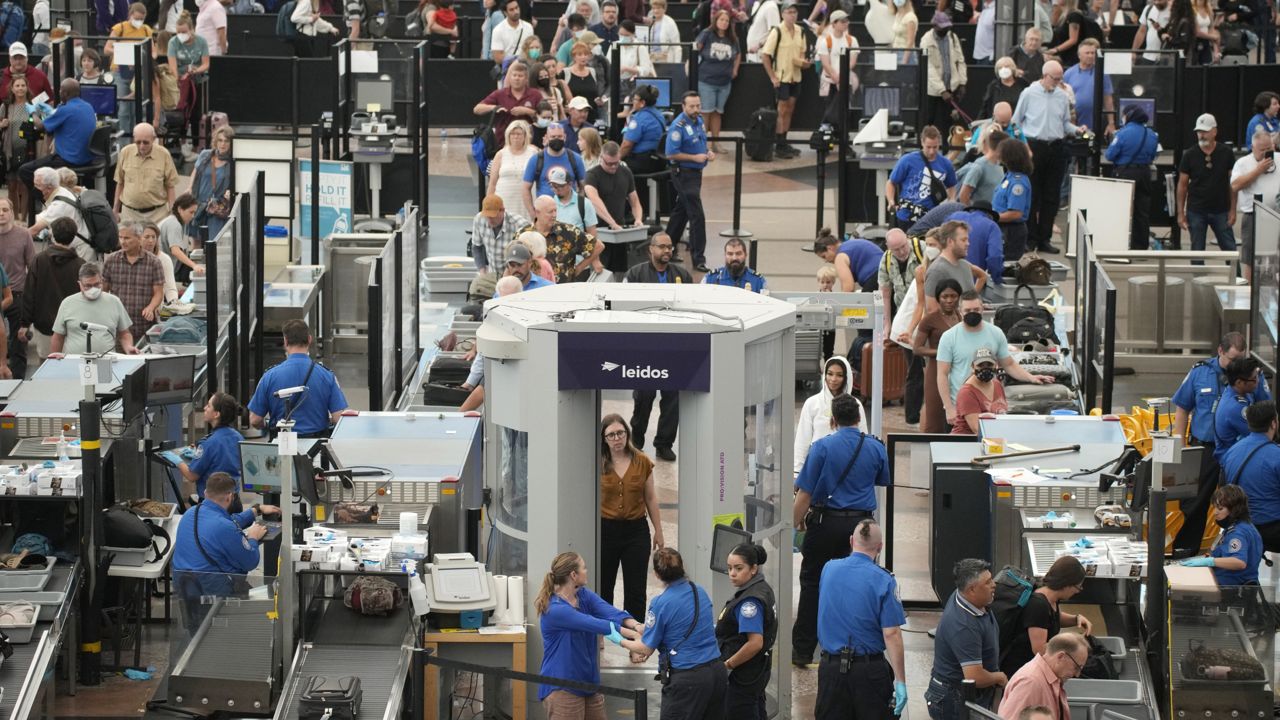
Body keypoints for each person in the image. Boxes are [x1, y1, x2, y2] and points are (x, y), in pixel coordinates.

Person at [792, 395, 889, 667]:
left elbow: (804, 494)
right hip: (861, 527)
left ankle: (802, 649)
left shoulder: (822, 447)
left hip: (825, 524)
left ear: (833, 420)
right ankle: (854, 645)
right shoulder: (875, 447)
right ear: (859, 418)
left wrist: (793, 524)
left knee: (812, 584)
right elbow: (881, 479)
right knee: (857, 585)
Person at [1171, 332, 1269, 552]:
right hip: (1204, 449)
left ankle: (1234, 552)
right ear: (1220, 351)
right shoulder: (1200, 372)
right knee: (1194, 505)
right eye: (1232, 360)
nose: (1237, 365)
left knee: (1236, 506)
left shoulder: (1253, 376)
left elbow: (1266, 411)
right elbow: (1182, 407)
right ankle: (1184, 556)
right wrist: (1180, 444)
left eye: (1240, 359)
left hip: (1237, 453)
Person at [618, 548, 726, 720]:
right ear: (682, 567)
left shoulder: (660, 603)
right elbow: (680, 626)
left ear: (656, 574)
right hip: (716, 672)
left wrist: (619, 639)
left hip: (687, 679)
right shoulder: (699, 591)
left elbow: (645, 648)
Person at [815, 519, 907, 719]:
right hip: (869, 672)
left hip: (831, 669)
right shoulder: (884, 580)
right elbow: (891, 633)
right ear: (880, 547)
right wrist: (900, 681)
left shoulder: (829, 569)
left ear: (851, 541)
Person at [535, 551, 641, 720]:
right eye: (584, 567)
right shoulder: (555, 610)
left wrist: (637, 625)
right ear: (573, 575)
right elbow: (596, 624)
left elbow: (609, 612)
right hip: (563, 687)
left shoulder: (583, 594)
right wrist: (633, 639)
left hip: (589, 684)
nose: (587, 570)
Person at [937, 291, 1052, 423]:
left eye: (976, 309)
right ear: (960, 311)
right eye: (968, 310)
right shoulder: (949, 337)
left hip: (991, 408)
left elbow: (1008, 364)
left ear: (982, 308)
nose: (972, 313)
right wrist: (949, 408)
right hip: (961, 407)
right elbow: (942, 374)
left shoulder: (996, 333)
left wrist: (1031, 377)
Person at [1012, 60, 1087, 254]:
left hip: (1056, 146)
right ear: (1044, 76)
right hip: (1034, 146)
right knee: (1033, 194)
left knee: (1052, 196)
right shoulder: (1029, 93)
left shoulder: (1062, 96)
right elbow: (1016, 122)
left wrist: (1078, 130)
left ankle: (1045, 238)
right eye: (1055, 78)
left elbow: (1065, 124)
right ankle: (1031, 238)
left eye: (1060, 78)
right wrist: (1024, 146)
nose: (1058, 82)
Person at [598, 414, 664, 623]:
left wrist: (659, 531)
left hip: (636, 531)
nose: (617, 439)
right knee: (604, 585)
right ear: (604, 438)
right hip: (606, 530)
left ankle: (635, 638)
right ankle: (603, 632)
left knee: (636, 588)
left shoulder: (642, 461)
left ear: (627, 433)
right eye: (611, 435)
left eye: (621, 433)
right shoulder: (597, 463)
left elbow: (651, 497)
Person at [926, 559, 1007, 719]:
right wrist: (999, 677)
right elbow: (974, 676)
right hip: (953, 699)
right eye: (988, 582)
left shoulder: (970, 598)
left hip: (967, 692)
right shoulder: (963, 625)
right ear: (972, 590)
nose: (994, 585)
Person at [248, 319, 348, 438]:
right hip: (316, 446)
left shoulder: (269, 376)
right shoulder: (326, 376)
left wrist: (266, 425)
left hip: (281, 444)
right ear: (309, 339)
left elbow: (255, 420)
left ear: (285, 341)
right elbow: (338, 418)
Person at [998, 555, 1092, 677]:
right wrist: (1071, 643)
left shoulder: (1050, 597)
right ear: (1067, 584)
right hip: (1022, 671)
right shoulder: (1038, 605)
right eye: (1078, 587)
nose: (1077, 591)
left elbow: (1051, 618)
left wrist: (1076, 619)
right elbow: (1039, 649)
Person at [171, 473, 278, 575]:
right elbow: (250, 562)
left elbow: (224, 521)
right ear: (230, 497)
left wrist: (255, 510)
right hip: (213, 590)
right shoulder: (225, 527)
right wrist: (253, 538)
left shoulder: (191, 512)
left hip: (183, 587)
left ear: (205, 492)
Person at [718, 543, 776, 720]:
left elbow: (755, 642)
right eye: (729, 568)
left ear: (753, 569)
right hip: (754, 672)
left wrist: (728, 665)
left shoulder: (750, 601)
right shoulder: (761, 588)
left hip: (742, 676)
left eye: (738, 568)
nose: (732, 573)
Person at [19, 217, 83, 360]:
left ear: (52, 234)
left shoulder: (39, 260)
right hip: (72, 327)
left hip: (44, 325)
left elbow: (29, 293)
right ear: (73, 236)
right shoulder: (80, 265)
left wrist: (25, 323)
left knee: (47, 365)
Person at [1222, 401, 1280, 550]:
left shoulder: (1232, 451)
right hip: (1271, 531)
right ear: (1273, 423)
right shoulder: (1276, 455)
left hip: (1240, 528)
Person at [1177, 112, 1237, 256]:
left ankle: (1237, 278)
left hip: (1221, 209)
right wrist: (1180, 213)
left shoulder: (1226, 153)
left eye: (1205, 131)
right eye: (1199, 132)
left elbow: (1233, 184)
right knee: (1197, 250)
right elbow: (1182, 185)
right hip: (1197, 209)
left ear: (1214, 131)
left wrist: (1233, 209)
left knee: (1230, 249)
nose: (1201, 135)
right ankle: (1197, 278)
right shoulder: (1189, 155)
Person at [19, 79, 96, 191]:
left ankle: (48, 198)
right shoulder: (88, 106)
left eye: (60, 90)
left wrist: (33, 112)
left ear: (65, 93)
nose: (59, 92)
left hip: (68, 159)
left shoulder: (65, 110)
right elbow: (67, 118)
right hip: (86, 159)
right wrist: (53, 112)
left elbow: (40, 126)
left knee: (25, 170)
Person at [666, 92, 712, 273]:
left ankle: (665, 247)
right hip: (683, 174)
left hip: (696, 173)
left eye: (698, 105)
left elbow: (701, 143)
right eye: (692, 106)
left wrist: (707, 153)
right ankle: (698, 259)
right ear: (683, 107)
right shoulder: (678, 126)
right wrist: (695, 157)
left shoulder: (699, 121)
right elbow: (671, 153)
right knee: (697, 215)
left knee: (681, 212)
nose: (695, 109)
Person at [1180, 484, 1263, 586]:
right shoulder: (1244, 526)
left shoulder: (1237, 532)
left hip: (1230, 589)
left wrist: (1211, 561)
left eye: (1220, 508)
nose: (1215, 512)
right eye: (1215, 508)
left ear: (1234, 509)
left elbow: (1239, 562)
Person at [168, 392, 246, 499]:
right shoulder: (238, 437)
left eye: (209, 406)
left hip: (212, 504)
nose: (205, 408)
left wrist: (177, 459)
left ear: (216, 414)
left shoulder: (208, 443)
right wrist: (198, 454)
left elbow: (192, 476)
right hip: (233, 500)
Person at [795, 357, 866, 474]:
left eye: (839, 375)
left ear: (846, 377)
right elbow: (802, 440)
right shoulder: (812, 403)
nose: (833, 379)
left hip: (846, 468)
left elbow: (863, 438)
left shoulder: (855, 404)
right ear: (824, 375)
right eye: (830, 374)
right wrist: (797, 472)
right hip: (817, 468)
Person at [49, 262, 138, 355]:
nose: (93, 289)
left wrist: (128, 347)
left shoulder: (114, 302)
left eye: (96, 284)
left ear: (102, 281)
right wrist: (55, 360)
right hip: (75, 363)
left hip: (106, 362)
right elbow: (58, 337)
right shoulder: (67, 303)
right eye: (88, 286)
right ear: (80, 284)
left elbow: (124, 333)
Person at [761, 1, 811, 160]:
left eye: (794, 12)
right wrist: (772, 77)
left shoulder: (801, 31)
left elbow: (802, 53)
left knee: (790, 108)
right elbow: (765, 55)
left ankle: (784, 140)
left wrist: (803, 62)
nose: (792, 15)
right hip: (782, 77)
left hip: (795, 76)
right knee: (781, 109)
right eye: (789, 12)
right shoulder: (777, 31)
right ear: (782, 14)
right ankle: (778, 143)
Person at [1105, 104, 1159, 250]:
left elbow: (1109, 155)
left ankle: (1120, 244)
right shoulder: (1152, 134)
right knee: (1142, 211)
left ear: (1128, 116)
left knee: (1122, 210)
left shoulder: (1122, 133)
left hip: (1125, 173)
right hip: (1144, 174)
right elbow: (1153, 156)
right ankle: (1140, 247)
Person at [997, 633, 1087, 720]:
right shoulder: (1031, 682)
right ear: (1060, 657)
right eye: (1076, 667)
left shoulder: (1050, 678)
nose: (1077, 674)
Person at [914, 279, 963, 433]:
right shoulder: (929, 319)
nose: (949, 300)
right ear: (938, 298)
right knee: (935, 413)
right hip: (936, 370)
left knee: (958, 413)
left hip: (957, 370)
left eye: (953, 296)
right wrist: (942, 352)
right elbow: (917, 348)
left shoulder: (961, 317)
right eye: (945, 296)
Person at [1231, 128, 1279, 282]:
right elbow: (1235, 185)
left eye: (1269, 149)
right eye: (1262, 150)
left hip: (1276, 213)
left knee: (1274, 256)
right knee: (1250, 256)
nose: (1266, 154)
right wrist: (1258, 170)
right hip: (1253, 215)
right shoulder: (1243, 163)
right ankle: (1249, 289)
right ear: (1252, 148)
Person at [887, 126, 958, 229]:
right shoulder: (907, 160)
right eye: (928, 147)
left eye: (935, 147)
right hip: (906, 216)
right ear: (922, 142)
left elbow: (951, 185)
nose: (932, 151)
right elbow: (891, 182)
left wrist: (952, 200)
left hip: (931, 218)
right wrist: (891, 201)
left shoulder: (946, 164)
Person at [102, 222, 164, 340]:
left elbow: (159, 293)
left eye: (127, 238)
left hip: (144, 325)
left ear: (139, 238)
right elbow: (104, 290)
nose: (123, 241)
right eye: (120, 237)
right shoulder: (111, 261)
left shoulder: (154, 262)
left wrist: (150, 307)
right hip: (118, 326)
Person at [517, 195, 600, 282]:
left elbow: (598, 246)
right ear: (537, 212)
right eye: (550, 212)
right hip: (533, 290)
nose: (554, 215)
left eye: (555, 210)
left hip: (564, 291)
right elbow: (513, 263)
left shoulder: (569, 231)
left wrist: (579, 268)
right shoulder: (523, 234)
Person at [113, 123, 179, 226]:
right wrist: (115, 210)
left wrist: (172, 213)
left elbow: (170, 186)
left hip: (157, 215)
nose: (142, 146)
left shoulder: (164, 154)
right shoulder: (125, 152)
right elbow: (120, 182)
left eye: (146, 142)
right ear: (134, 138)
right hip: (130, 214)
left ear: (153, 139)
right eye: (138, 142)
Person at [694, 10, 740, 153]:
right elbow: (695, 48)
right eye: (722, 20)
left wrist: (735, 69)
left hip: (725, 82)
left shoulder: (733, 38)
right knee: (706, 112)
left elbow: (738, 54)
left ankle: (716, 142)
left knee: (717, 112)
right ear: (716, 20)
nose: (724, 23)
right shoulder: (707, 34)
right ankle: (704, 143)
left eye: (727, 21)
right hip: (706, 80)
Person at [104, 3, 153, 134]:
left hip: (138, 73)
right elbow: (107, 49)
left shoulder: (147, 30)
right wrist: (122, 52)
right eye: (136, 18)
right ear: (130, 15)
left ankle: (137, 137)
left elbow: (153, 52)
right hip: (120, 71)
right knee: (125, 108)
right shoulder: (119, 28)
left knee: (139, 108)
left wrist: (143, 56)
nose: (139, 22)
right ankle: (125, 141)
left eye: (141, 19)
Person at [475, 61, 543, 153]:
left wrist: (527, 111)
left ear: (526, 79)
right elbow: (477, 109)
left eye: (520, 76)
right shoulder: (500, 94)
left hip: (530, 142)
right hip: (503, 143)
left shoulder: (535, 94)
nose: (517, 78)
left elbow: (544, 116)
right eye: (514, 75)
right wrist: (494, 108)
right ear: (509, 78)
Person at [168, 13, 210, 157]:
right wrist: (178, 78)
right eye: (178, 32)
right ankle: (182, 142)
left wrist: (195, 71)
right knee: (181, 114)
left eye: (184, 32)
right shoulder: (173, 42)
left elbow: (206, 64)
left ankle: (196, 146)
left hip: (197, 80)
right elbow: (172, 65)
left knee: (196, 115)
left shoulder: (201, 42)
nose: (181, 35)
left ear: (191, 30)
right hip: (180, 82)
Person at [586, 142, 644, 242]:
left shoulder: (626, 172)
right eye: (609, 163)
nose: (613, 166)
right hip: (597, 229)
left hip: (619, 227)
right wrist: (612, 223)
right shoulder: (592, 175)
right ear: (601, 158)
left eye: (616, 163)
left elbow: (634, 201)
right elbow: (595, 202)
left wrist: (638, 219)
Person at [0, 198, 32, 376]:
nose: (1, 213)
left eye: (5, 209)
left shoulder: (23, 234)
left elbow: (31, 266)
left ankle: (18, 382)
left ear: (11, 212)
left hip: (18, 294)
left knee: (18, 344)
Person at [921, 12, 967, 134]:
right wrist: (942, 90)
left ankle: (948, 150)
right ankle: (925, 147)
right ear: (934, 26)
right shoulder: (926, 40)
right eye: (943, 27)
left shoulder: (953, 37)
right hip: (933, 90)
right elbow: (928, 67)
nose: (945, 30)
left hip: (951, 86)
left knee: (949, 122)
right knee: (929, 120)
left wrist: (962, 82)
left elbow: (960, 60)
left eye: (947, 27)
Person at [1213, 356, 1265, 462]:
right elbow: (1260, 435)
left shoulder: (1239, 392)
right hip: (1236, 461)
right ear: (1239, 382)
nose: (1258, 382)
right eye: (1254, 379)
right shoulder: (1235, 407)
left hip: (1243, 455)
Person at [190, 125, 233, 246]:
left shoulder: (232, 162)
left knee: (214, 243)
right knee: (196, 243)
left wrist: (231, 191)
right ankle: (197, 266)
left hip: (216, 208)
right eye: (220, 140)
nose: (223, 144)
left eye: (226, 141)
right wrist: (189, 188)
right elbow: (195, 172)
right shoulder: (206, 155)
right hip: (198, 204)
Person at [923, 220, 980, 311]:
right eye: (963, 240)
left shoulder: (965, 265)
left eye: (967, 240)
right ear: (950, 241)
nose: (967, 244)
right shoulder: (937, 271)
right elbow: (932, 310)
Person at [1062, 39, 1114, 136]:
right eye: (1087, 53)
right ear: (1079, 55)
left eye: (1093, 53)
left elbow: (1108, 99)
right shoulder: (1069, 73)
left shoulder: (1103, 73)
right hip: (1074, 124)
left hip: (1095, 124)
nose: (1090, 55)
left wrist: (1111, 123)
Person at [951, 348, 1009, 434]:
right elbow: (977, 429)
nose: (985, 369)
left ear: (996, 365)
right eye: (980, 365)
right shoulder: (967, 392)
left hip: (994, 438)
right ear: (973, 366)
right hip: (967, 441)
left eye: (989, 364)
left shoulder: (997, 385)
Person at [817, 10, 859, 125]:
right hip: (830, 82)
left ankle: (842, 137)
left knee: (844, 111)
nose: (846, 23)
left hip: (846, 81)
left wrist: (843, 75)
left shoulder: (852, 40)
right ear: (833, 24)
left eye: (847, 21)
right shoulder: (826, 41)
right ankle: (828, 135)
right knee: (831, 110)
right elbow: (825, 63)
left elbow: (853, 61)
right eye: (842, 21)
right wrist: (835, 77)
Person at [472, 195, 528, 274]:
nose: (489, 220)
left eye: (492, 217)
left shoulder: (520, 225)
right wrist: (482, 270)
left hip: (514, 274)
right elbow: (477, 247)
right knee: (476, 285)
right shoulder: (479, 219)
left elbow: (529, 256)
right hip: (492, 272)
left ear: (502, 211)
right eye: (487, 216)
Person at [2, 75, 32, 223]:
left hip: (27, 150)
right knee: (12, 185)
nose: (20, 88)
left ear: (27, 88)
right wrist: (2, 125)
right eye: (17, 86)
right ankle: (13, 218)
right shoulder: (6, 106)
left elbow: (40, 126)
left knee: (24, 185)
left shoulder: (32, 105)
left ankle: (23, 219)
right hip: (10, 151)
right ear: (12, 89)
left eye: (22, 85)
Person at [814, 231, 881, 292]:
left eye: (824, 256)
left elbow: (848, 288)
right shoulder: (848, 245)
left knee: (865, 302)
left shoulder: (840, 257)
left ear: (829, 248)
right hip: (884, 270)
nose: (825, 261)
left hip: (875, 275)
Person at [160, 193, 203, 283]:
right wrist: (194, 266)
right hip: (161, 270)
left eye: (194, 213)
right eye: (191, 212)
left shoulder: (178, 222)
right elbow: (175, 251)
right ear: (180, 209)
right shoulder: (174, 224)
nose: (193, 216)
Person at [1046, 0, 1103, 67]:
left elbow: (1073, 40)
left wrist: (1056, 50)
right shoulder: (1064, 16)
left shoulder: (1074, 16)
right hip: (1066, 57)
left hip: (1072, 59)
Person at [548, 166, 598, 236]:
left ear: (570, 184)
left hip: (578, 246)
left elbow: (592, 234)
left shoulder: (585, 204)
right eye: (553, 186)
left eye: (560, 186)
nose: (557, 189)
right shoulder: (549, 203)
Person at [982, 59, 1028, 124]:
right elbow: (985, 106)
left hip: (1020, 123)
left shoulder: (1023, 84)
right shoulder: (993, 86)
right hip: (999, 124)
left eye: (1006, 66)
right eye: (1000, 68)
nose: (1003, 69)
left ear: (1013, 68)